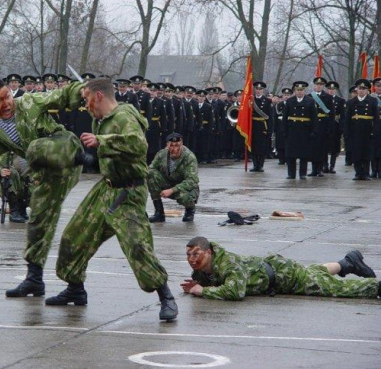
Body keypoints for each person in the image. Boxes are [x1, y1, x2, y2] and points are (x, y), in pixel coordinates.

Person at [47, 78, 178, 321]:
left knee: (137, 245)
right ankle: (75, 288)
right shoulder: (100, 121)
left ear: (98, 96)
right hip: (106, 188)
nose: (84, 104)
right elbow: (109, 157)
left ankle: (166, 296)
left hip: (128, 191)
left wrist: (102, 142)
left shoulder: (124, 115)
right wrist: (86, 159)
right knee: (73, 236)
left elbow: (138, 145)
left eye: (86, 99)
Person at [0, 79, 86, 297]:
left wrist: (81, 89)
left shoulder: (29, 102)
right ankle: (36, 279)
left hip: (66, 151)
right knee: (38, 221)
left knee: (34, 148)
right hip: (46, 172)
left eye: (7, 96)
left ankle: (82, 157)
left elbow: (59, 96)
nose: (6, 103)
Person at [181, 236, 379, 301]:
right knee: (313, 272)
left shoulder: (228, 263)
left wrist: (203, 291)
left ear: (208, 253)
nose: (191, 259)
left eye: (196, 254)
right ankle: (347, 263)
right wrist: (198, 283)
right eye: (189, 255)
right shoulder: (202, 269)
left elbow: (235, 291)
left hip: (286, 276)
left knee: (335, 289)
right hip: (277, 269)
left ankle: (376, 287)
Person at [148, 132, 199, 223]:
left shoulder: (189, 157)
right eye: (171, 145)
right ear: (167, 145)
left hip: (184, 188)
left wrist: (172, 190)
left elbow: (192, 180)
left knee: (186, 197)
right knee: (151, 174)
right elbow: (151, 168)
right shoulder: (162, 154)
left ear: (182, 144)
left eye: (177, 145)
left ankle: (189, 211)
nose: (174, 149)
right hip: (168, 182)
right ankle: (159, 213)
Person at [345, 79, 380, 180]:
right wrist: (346, 132)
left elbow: (376, 119)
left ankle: (365, 173)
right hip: (355, 131)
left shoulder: (372, 101)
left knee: (366, 153)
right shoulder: (351, 102)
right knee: (356, 153)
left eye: (363, 89)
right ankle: (358, 173)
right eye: (360, 88)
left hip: (368, 131)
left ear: (367, 90)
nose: (361, 90)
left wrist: (375, 131)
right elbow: (347, 119)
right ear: (356, 89)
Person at [282, 81, 318, 179]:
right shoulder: (290, 101)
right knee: (290, 154)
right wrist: (284, 130)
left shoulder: (310, 101)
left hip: (304, 131)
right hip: (292, 130)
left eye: (301, 90)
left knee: (303, 154)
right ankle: (291, 173)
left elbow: (314, 118)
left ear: (304, 91)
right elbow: (285, 117)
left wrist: (313, 131)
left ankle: (302, 173)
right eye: (298, 90)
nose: (299, 92)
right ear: (295, 90)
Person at [0, 152, 31, 223]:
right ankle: (14, 211)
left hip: (29, 185)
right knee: (11, 173)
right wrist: (1, 171)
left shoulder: (36, 151)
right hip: (14, 186)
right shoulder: (9, 153)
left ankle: (22, 209)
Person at [308, 77, 335, 177]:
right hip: (312, 126)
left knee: (321, 149)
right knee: (312, 149)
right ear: (314, 85)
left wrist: (330, 128)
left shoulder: (328, 97)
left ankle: (320, 169)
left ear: (323, 86)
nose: (318, 86)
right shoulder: (309, 96)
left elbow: (332, 114)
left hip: (323, 125)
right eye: (317, 84)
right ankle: (313, 169)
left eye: (321, 85)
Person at [250, 81, 273, 172]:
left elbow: (270, 117)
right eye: (257, 89)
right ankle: (255, 165)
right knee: (253, 146)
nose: (258, 91)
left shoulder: (267, 101)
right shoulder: (250, 100)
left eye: (260, 89)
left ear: (263, 90)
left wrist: (270, 130)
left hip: (263, 126)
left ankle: (260, 165)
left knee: (262, 147)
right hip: (253, 125)